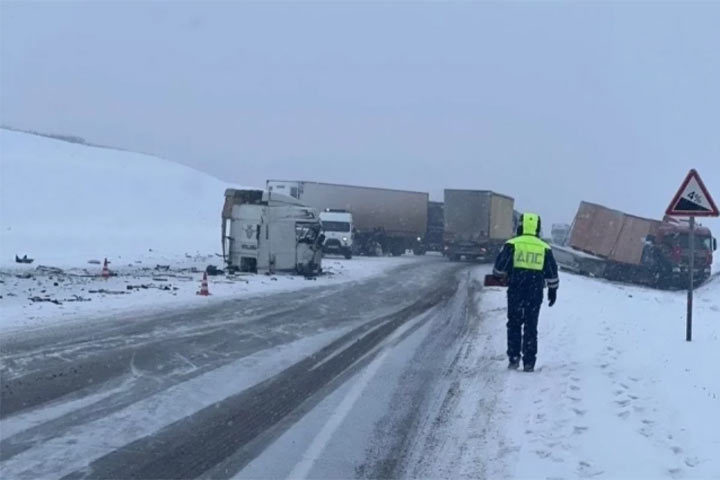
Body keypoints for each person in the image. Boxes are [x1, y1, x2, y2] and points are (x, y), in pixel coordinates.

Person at [493, 212, 559, 372]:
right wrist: (553, 290)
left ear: (521, 226)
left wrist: (501, 276)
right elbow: (552, 272)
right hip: (535, 293)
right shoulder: (544, 248)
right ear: (537, 228)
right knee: (531, 326)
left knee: (514, 324)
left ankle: (514, 358)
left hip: (516, 290)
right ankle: (529, 362)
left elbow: (499, 269)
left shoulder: (512, 244)